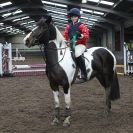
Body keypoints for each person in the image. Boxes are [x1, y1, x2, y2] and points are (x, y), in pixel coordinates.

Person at [63, 8, 90, 83]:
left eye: (75, 17)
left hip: (81, 44)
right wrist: (65, 40)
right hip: (71, 44)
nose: (73, 18)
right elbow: (65, 35)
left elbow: (87, 35)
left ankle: (84, 74)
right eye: (72, 17)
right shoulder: (68, 26)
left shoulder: (82, 25)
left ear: (78, 17)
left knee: (77, 54)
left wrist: (82, 35)